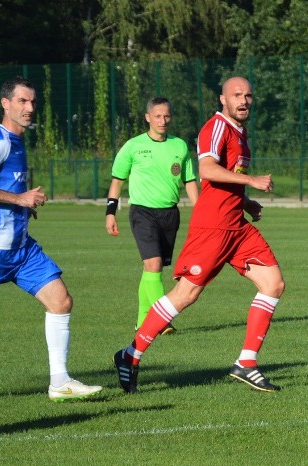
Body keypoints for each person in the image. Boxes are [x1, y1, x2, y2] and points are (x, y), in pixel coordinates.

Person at [113, 77, 284, 394]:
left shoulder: (241, 133)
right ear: (223, 99)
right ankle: (130, 355)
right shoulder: (217, 127)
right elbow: (206, 170)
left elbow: (225, 180)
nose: (243, 100)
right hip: (214, 227)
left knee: (273, 283)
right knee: (185, 295)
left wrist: (245, 201)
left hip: (236, 225)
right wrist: (254, 182)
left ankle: (246, 362)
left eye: (248, 95)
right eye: (237, 95)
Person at [0, 76, 102, 401]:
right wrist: (18, 200)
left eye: (32, 102)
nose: (29, 108)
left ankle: (59, 382)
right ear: (6, 104)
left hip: (22, 249)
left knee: (60, 301)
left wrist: (24, 207)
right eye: (22, 102)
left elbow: (10, 188)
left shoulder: (18, 142)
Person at [105, 97, 199, 333]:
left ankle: (142, 321)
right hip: (142, 213)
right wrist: (110, 212)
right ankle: (162, 319)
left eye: (166, 116)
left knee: (152, 270)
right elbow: (117, 182)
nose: (162, 120)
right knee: (153, 264)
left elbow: (189, 181)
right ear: (148, 117)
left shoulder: (180, 146)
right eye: (157, 116)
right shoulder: (133, 146)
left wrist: (200, 211)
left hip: (169, 214)